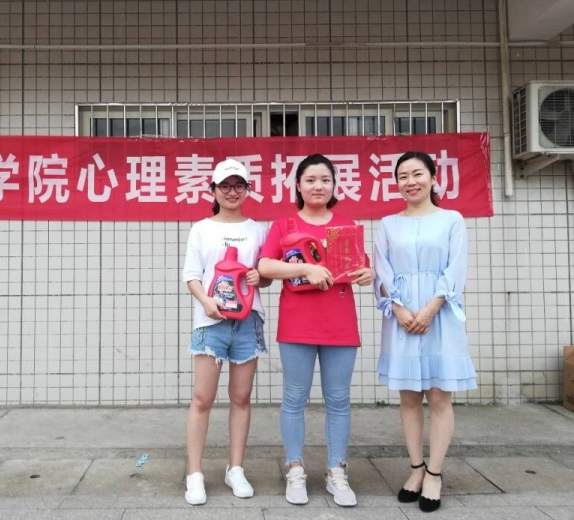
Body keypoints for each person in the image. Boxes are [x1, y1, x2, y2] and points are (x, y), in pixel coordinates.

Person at [257, 153, 375, 507]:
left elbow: (361, 267)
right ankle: (295, 468)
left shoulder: (346, 226)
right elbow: (264, 266)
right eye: (310, 180)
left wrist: (367, 274)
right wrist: (304, 270)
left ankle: (336, 471)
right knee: (295, 398)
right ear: (298, 185)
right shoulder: (284, 226)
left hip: (340, 326)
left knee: (338, 400)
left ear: (335, 185)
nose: (318, 186)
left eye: (325, 179)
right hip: (297, 325)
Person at [373, 151, 477, 513]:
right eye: (402, 176)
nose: (410, 181)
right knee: (408, 398)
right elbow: (381, 272)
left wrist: (432, 308)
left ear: (434, 178)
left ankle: (435, 472)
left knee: (438, 397)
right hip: (401, 317)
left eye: (417, 174)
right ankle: (415, 468)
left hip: (440, 315)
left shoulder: (452, 220)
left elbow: (455, 268)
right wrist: (399, 310)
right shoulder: (387, 224)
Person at [182, 158, 272, 506]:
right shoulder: (201, 229)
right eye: (225, 186)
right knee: (202, 399)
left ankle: (235, 469)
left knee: (241, 398)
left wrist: (259, 277)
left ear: (247, 190)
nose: (232, 192)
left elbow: (265, 275)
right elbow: (192, 275)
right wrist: (206, 301)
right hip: (211, 322)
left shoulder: (258, 229)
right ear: (213, 190)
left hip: (248, 323)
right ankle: (194, 474)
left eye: (238, 185)